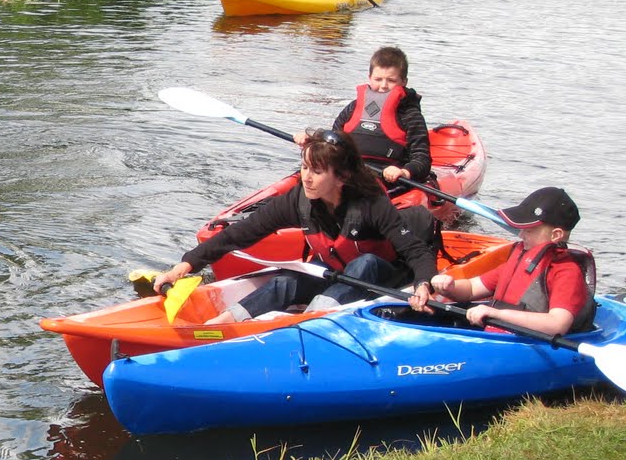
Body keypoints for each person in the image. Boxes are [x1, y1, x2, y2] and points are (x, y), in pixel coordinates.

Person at [153, 128, 437, 322]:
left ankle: (307, 325)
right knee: (285, 280)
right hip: (337, 275)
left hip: (383, 277)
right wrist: (185, 266)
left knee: (364, 264)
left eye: (316, 171)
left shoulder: (370, 202)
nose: (306, 178)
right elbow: (240, 233)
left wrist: (424, 283)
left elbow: (415, 251)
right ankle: (224, 323)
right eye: (304, 167)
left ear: (341, 177)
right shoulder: (298, 200)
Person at [423, 187, 594, 337]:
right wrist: (450, 287)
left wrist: (496, 313)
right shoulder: (522, 259)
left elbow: (557, 325)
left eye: (529, 230)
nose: (521, 235)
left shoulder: (566, 271)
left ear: (556, 235)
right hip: (498, 336)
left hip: (530, 344)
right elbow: (472, 289)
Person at [295, 46, 430, 186]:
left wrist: (404, 172)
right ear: (369, 78)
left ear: (403, 82)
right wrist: (312, 142)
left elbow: (422, 159)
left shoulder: (410, 116)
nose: (383, 86)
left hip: (386, 181)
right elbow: (331, 143)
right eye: (378, 79)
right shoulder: (352, 109)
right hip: (348, 174)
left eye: (391, 80)